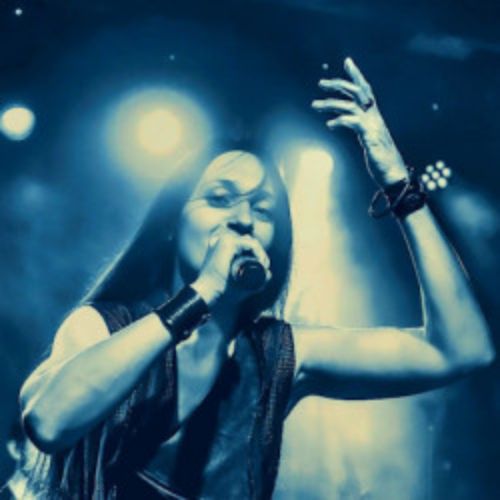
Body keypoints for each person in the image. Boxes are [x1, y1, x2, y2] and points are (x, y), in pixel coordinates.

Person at [15, 58, 494, 499]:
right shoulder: (102, 327)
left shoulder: (278, 354)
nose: (243, 219)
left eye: (263, 209)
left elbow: (461, 349)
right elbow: (49, 423)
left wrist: (399, 185)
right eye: (220, 199)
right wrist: (201, 295)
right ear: (172, 224)